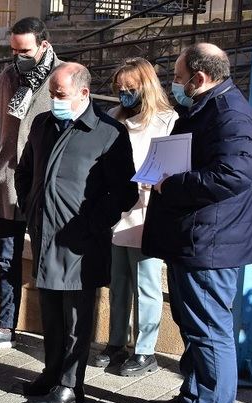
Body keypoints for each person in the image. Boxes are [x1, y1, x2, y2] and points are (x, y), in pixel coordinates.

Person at [142, 43, 252, 403]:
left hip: (211, 242)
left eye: (177, 78)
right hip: (194, 236)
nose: (173, 86)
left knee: (210, 330)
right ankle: (194, 397)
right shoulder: (206, 107)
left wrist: (170, 183)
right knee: (195, 326)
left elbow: (234, 175)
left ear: (200, 77)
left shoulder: (231, 116)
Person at [15, 62, 138, 403]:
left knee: (76, 318)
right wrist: (31, 208)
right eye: (52, 93)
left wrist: (92, 222)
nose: (53, 100)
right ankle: (51, 374)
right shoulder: (43, 123)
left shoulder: (109, 132)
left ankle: (71, 384)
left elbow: (124, 192)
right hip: (44, 234)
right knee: (50, 312)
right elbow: (24, 172)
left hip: (81, 240)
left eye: (60, 94)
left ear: (84, 93)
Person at [0, 17, 62, 352]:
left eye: (24, 50)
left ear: (44, 45)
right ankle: (5, 329)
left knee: (46, 262)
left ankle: (55, 335)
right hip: (8, 181)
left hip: (43, 186)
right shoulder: (7, 76)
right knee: (6, 259)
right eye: (13, 50)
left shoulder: (62, 76)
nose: (17, 56)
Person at [90, 58, 178, 376]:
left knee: (147, 283)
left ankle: (145, 350)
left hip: (147, 212)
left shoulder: (168, 120)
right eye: (120, 88)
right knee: (119, 282)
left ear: (146, 86)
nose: (125, 93)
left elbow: (175, 165)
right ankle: (116, 343)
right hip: (117, 211)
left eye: (131, 88)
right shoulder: (114, 116)